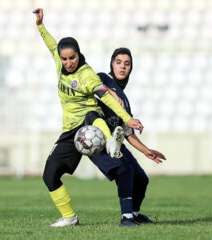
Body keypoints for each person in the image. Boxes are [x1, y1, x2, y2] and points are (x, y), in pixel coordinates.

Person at [33, 8, 144, 227]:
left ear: (78, 54)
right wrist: (40, 26)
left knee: (92, 114)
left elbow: (107, 97)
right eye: (64, 59)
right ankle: (70, 217)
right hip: (70, 130)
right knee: (49, 175)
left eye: (72, 58)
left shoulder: (87, 75)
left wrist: (127, 118)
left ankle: (111, 142)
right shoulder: (59, 60)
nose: (68, 63)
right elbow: (50, 43)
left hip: (92, 125)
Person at [91, 47, 166, 226]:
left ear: (131, 68)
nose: (122, 67)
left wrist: (146, 150)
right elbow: (92, 89)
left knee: (141, 179)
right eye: (118, 63)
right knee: (125, 170)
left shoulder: (124, 98)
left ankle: (135, 213)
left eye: (127, 64)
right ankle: (127, 218)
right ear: (112, 64)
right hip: (99, 139)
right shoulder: (102, 78)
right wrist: (110, 94)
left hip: (117, 142)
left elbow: (127, 131)